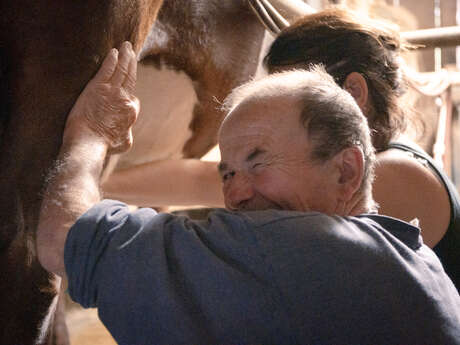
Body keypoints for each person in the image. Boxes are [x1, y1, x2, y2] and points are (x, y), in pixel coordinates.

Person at [37, 42, 460, 344]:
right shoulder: (410, 255)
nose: (236, 192)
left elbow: (64, 237)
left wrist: (89, 136)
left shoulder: (308, 248)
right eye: (226, 174)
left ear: (347, 171)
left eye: (258, 162)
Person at [262, 7, 460, 290]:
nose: (276, 121)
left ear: (353, 92)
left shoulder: (392, 175)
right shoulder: (374, 161)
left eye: (290, 101)